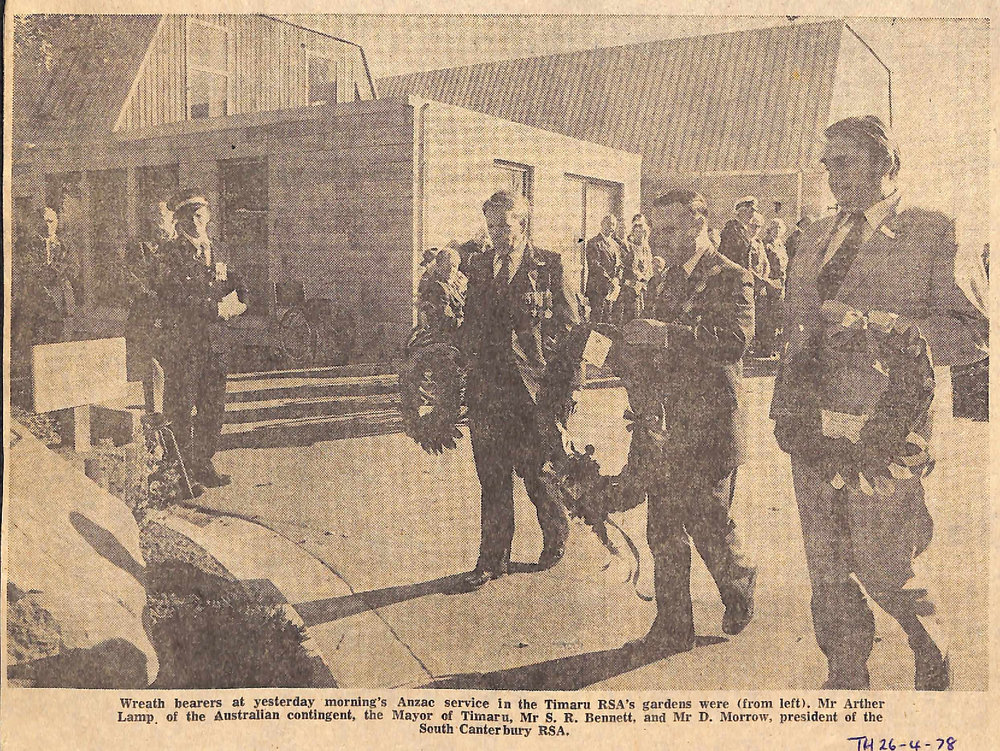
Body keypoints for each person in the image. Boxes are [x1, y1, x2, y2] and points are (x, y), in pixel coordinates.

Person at [770, 115, 988, 690]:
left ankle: (930, 644)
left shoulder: (933, 230)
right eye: (828, 163)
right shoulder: (813, 235)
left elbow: (973, 331)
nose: (831, 174)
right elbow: (796, 326)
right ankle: (845, 670)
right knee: (825, 565)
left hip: (886, 427)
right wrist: (786, 405)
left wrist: (883, 327)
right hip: (812, 423)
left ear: (885, 163)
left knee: (883, 564)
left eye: (844, 161)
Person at [624, 188, 757, 658]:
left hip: (711, 426)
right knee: (662, 528)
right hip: (667, 426)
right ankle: (673, 627)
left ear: (699, 224)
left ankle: (738, 579)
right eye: (656, 230)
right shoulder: (663, 281)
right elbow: (649, 348)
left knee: (708, 524)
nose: (659, 238)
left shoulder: (732, 276)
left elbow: (735, 342)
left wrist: (666, 335)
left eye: (670, 228)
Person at [456, 190, 580, 591]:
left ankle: (556, 531)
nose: (497, 233)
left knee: (536, 474)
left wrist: (566, 394)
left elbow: (571, 332)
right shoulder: (478, 266)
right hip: (487, 392)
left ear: (522, 224)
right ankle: (492, 560)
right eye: (491, 225)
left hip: (532, 394)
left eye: (504, 225)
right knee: (492, 478)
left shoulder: (549, 266)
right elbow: (469, 325)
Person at [154, 189, 247, 491]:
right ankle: (179, 474)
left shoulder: (219, 249)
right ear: (180, 220)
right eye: (190, 215)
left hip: (216, 345)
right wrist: (214, 309)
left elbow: (239, 283)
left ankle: (203, 464)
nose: (197, 220)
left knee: (212, 409)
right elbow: (173, 295)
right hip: (185, 345)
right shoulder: (170, 253)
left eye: (201, 213)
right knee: (180, 409)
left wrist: (242, 303)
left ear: (208, 215)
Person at [123, 200, 175, 413]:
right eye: (154, 216)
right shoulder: (139, 246)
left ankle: (175, 417)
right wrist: (153, 298)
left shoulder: (181, 244)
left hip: (178, 313)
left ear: (172, 218)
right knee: (152, 365)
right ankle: (154, 416)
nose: (158, 220)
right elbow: (132, 277)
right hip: (148, 313)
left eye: (162, 215)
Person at [12, 207, 80, 350]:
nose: (47, 225)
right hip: (38, 299)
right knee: (39, 344)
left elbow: (74, 269)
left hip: (63, 300)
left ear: (57, 222)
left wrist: (54, 271)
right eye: (44, 221)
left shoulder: (66, 245)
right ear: (37, 223)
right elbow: (26, 268)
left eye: (51, 221)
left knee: (63, 342)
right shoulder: (28, 245)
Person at [409, 246, 468, 349]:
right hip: (448, 337)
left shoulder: (449, 285)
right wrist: (467, 323)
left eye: (454, 266)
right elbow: (446, 321)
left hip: (456, 333)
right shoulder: (438, 287)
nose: (451, 270)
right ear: (439, 265)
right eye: (447, 265)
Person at [755, 218, 788, 357]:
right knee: (766, 315)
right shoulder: (765, 244)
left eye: (780, 228)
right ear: (769, 229)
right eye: (775, 228)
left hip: (780, 284)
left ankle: (773, 346)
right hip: (768, 283)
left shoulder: (781, 245)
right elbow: (762, 265)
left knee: (776, 315)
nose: (777, 230)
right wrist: (763, 283)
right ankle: (764, 347)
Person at [585, 214, 625, 323]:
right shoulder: (593, 243)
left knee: (608, 320)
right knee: (597, 320)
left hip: (612, 289)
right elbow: (594, 265)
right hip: (598, 288)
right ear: (602, 224)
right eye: (608, 224)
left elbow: (620, 265)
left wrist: (616, 279)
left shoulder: (615, 245)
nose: (611, 227)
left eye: (613, 225)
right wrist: (609, 281)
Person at [618, 214, 654, 323]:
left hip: (642, 286)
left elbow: (649, 267)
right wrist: (634, 279)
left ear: (645, 233)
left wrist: (645, 279)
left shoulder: (647, 249)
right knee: (629, 314)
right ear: (633, 233)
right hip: (629, 286)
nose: (639, 234)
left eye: (641, 232)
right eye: (637, 232)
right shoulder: (628, 247)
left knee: (641, 316)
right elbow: (624, 267)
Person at [717, 196, 757, 267]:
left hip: (742, 271)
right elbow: (725, 257)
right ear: (741, 212)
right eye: (750, 211)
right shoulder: (731, 229)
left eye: (752, 212)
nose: (752, 216)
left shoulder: (744, 230)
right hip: (731, 271)